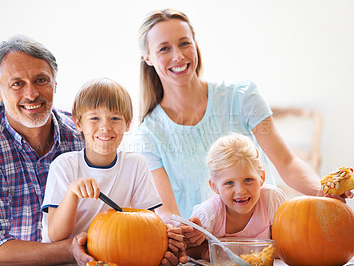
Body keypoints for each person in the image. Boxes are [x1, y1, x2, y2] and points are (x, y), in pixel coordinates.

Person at [133, 8, 326, 221]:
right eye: (164, 49)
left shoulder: (242, 98)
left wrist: (324, 191)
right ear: (148, 58)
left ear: (195, 44)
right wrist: (182, 236)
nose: (178, 56)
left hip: (265, 239)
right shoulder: (148, 135)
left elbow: (286, 163)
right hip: (202, 248)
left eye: (184, 43)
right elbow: (167, 212)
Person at [0, 35, 92, 266]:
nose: (31, 94)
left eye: (41, 80)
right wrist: (70, 250)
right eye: (17, 83)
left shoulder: (84, 134)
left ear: (55, 84)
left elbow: (115, 206)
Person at [41, 78, 187, 265]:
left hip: (119, 260)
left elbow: (147, 225)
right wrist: (72, 193)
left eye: (115, 118)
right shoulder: (64, 166)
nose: (105, 127)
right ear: (78, 124)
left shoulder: (136, 164)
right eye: (94, 118)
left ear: (127, 124)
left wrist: (167, 233)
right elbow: (55, 236)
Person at [183, 133, 286, 260]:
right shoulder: (208, 214)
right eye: (229, 183)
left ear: (262, 177)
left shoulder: (271, 199)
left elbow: (285, 247)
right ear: (214, 186)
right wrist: (196, 243)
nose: (241, 191)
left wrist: (231, 250)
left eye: (248, 179)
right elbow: (189, 251)